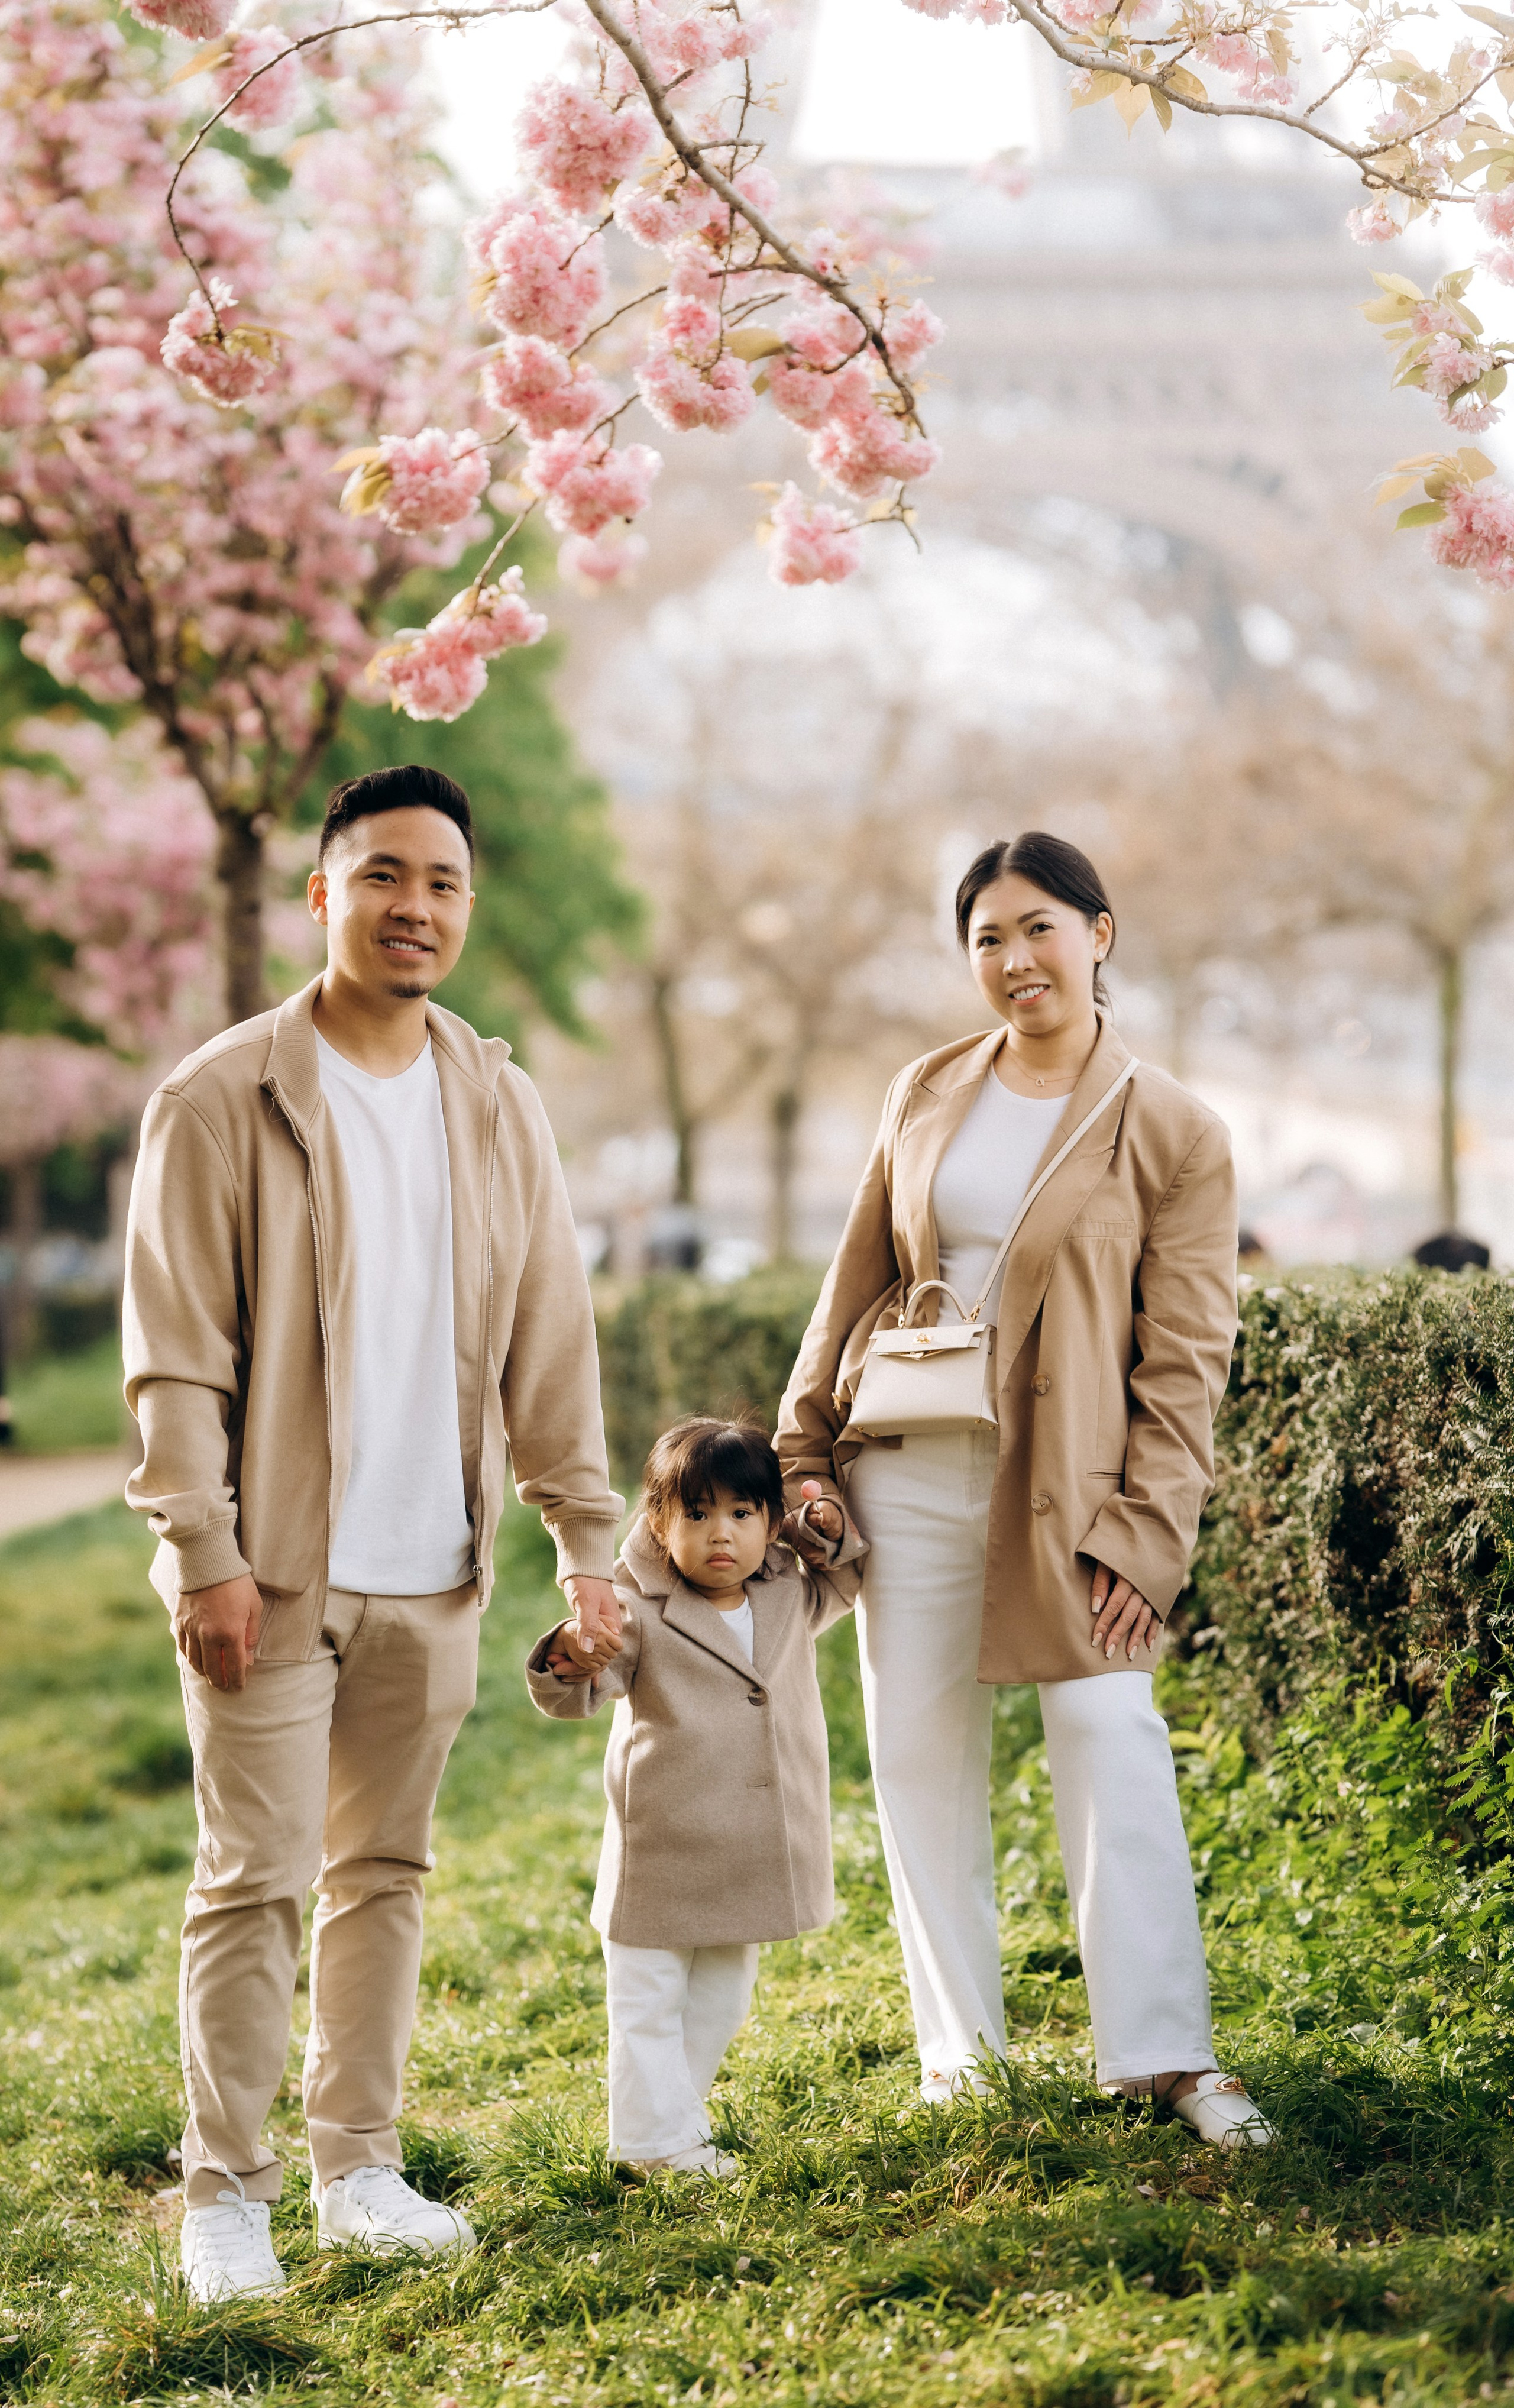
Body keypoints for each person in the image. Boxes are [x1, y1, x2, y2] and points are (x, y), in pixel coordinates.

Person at [122, 765, 625, 2301]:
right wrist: (201, 1546)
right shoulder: (223, 1094)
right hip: (271, 1568)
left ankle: (358, 2163)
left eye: (447, 882)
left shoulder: (496, 1096)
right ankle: (226, 2191)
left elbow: (553, 1333)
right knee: (254, 1875)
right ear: (324, 893)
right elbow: (177, 1350)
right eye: (387, 875)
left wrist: (585, 1537)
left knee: (385, 1869)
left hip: (437, 1563)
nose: (419, 905)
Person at [776, 831, 1272, 2150]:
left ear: (1098, 933)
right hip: (910, 1468)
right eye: (986, 937)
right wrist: (803, 1445)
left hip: (1076, 1491)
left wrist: (1146, 1538)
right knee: (918, 1752)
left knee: (1110, 1736)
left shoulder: (1171, 1126)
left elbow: (1187, 1355)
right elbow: (854, 1279)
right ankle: (963, 2059)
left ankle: (1166, 2057)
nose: (1013, 960)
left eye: (1038, 927)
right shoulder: (927, 1088)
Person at [525, 1417, 863, 2176]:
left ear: (770, 1523)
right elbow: (579, 1685)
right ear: (658, 1523)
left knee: (719, 1999)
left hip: (749, 1852)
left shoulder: (786, 1593)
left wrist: (826, 1528)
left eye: (742, 1515)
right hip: (666, 1847)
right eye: (698, 1514)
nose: (722, 1535)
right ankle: (653, 2146)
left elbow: (844, 1575)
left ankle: (670, 2126)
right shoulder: (633, 1606)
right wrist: (572, 1652)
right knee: (646, 2001)